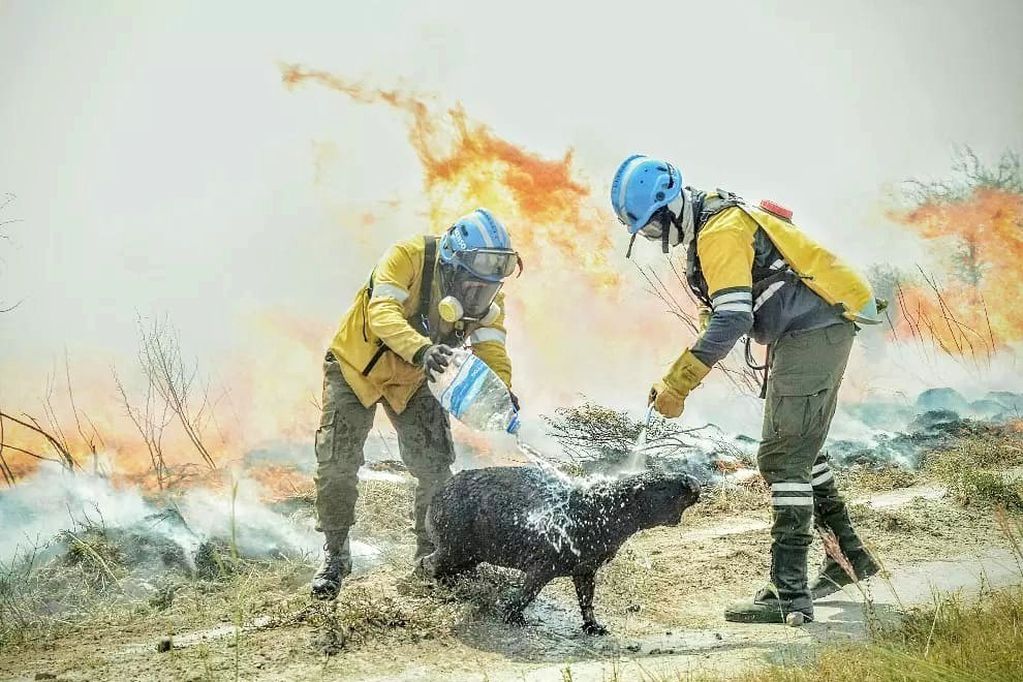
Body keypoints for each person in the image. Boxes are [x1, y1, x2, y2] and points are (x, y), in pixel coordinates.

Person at [610, 155, 881, 624]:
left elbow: (734, 317)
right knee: (803, 452)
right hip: (813, 328)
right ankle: (848, 559)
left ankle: (789, 594)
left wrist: (681, 382)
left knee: (781, 459)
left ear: (670, 207)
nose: (657, 241)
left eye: (654, 230)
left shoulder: (719, 231)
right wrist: (687, 361)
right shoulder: (711, 226)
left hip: (814, 329)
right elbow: (723, 308)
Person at [311, 208, 520, 600]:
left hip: (418, 378)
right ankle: (336, 555)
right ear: (450, 265)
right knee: (337, 465)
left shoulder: (490, 302)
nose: (478, 296)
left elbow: (491, 350)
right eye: (470, 285)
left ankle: (431, 558)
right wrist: (421, 349)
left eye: (487, 288)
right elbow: (382, 315)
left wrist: (502, 390)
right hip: (357, 368)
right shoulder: (406, 257)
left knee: (435, 468)